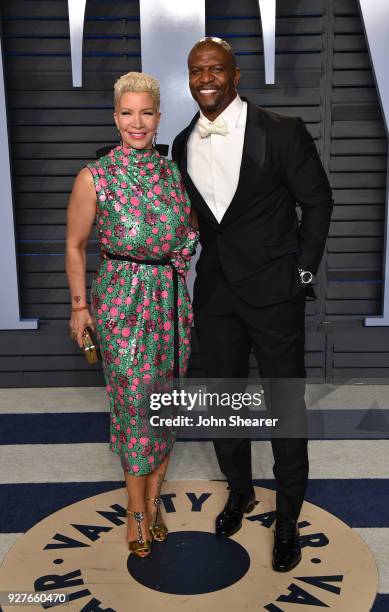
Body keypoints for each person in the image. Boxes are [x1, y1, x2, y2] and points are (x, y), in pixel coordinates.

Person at [172, 38, 333, 572]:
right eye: (197, 71)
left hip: (274, 293)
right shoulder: (179, 143)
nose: (206, 78)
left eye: (216, 69)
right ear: (189, 78)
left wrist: (302, 272)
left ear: (236, 75)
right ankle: (239, 491)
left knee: (286, 408)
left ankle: (287, 519)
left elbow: (318, 199)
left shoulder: (281, 130)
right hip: (216, 294)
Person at [66, 71, 198, 558]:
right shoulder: (94, 177)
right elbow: (75, 246)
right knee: (135, 407)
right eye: (127, 113)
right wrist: (81, 307)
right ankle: (136, 511)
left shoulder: (171, 173)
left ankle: (155, 499)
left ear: (159, 119)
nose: (136, 123)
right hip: (122, 302)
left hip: (169, 300)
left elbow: (190, 231)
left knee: (164, 405)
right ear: (115, 117)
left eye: (146, 113)